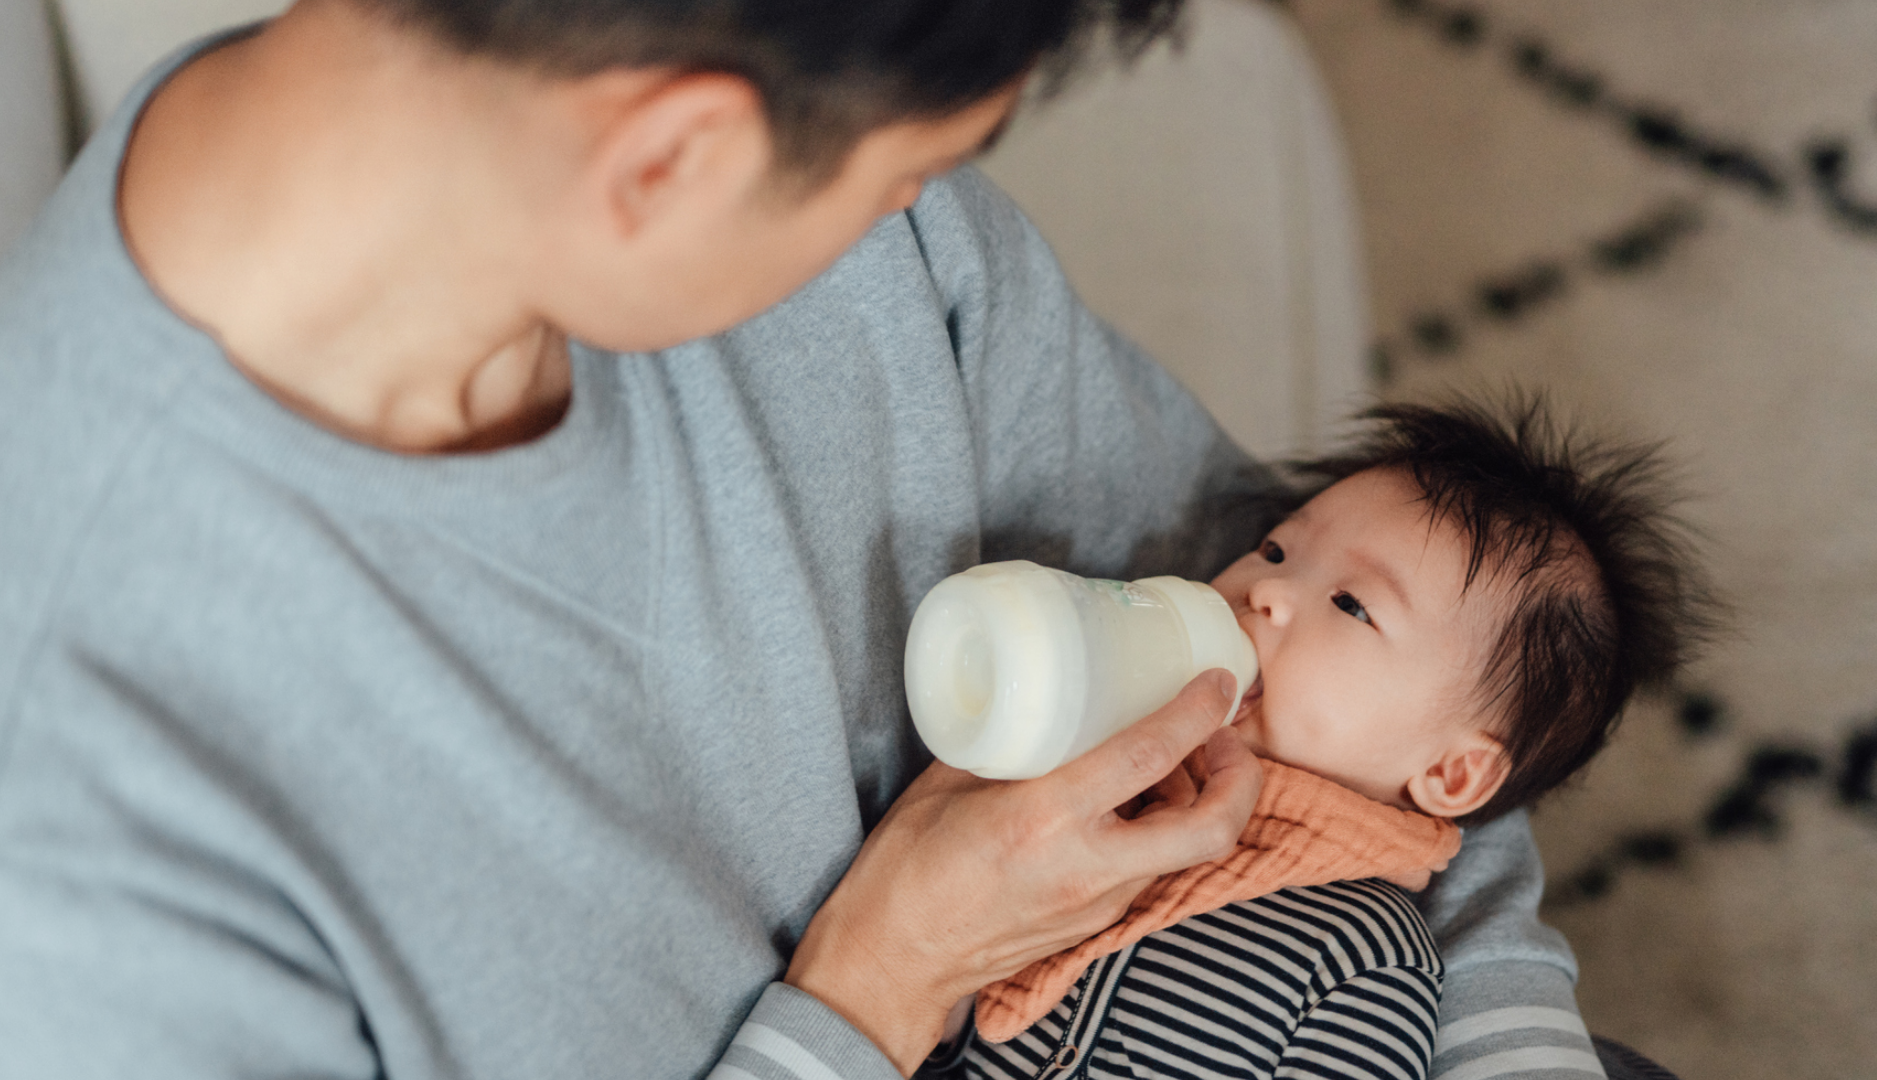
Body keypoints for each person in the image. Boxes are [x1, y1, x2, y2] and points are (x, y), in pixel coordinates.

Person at [0, 1, 1609, 1077]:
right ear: (671, 161)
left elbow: (1429, 687)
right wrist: (878, 989)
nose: (919, 217)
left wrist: (1507, 1043)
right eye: (908, 172)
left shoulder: (888, 268)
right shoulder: (88, 850)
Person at [950, 398, 1718, 1080]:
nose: (1267, 592)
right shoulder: (1092, 776)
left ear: (1451, 775)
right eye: (1277, 550)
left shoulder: (1359, 956)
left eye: (1352, 605)